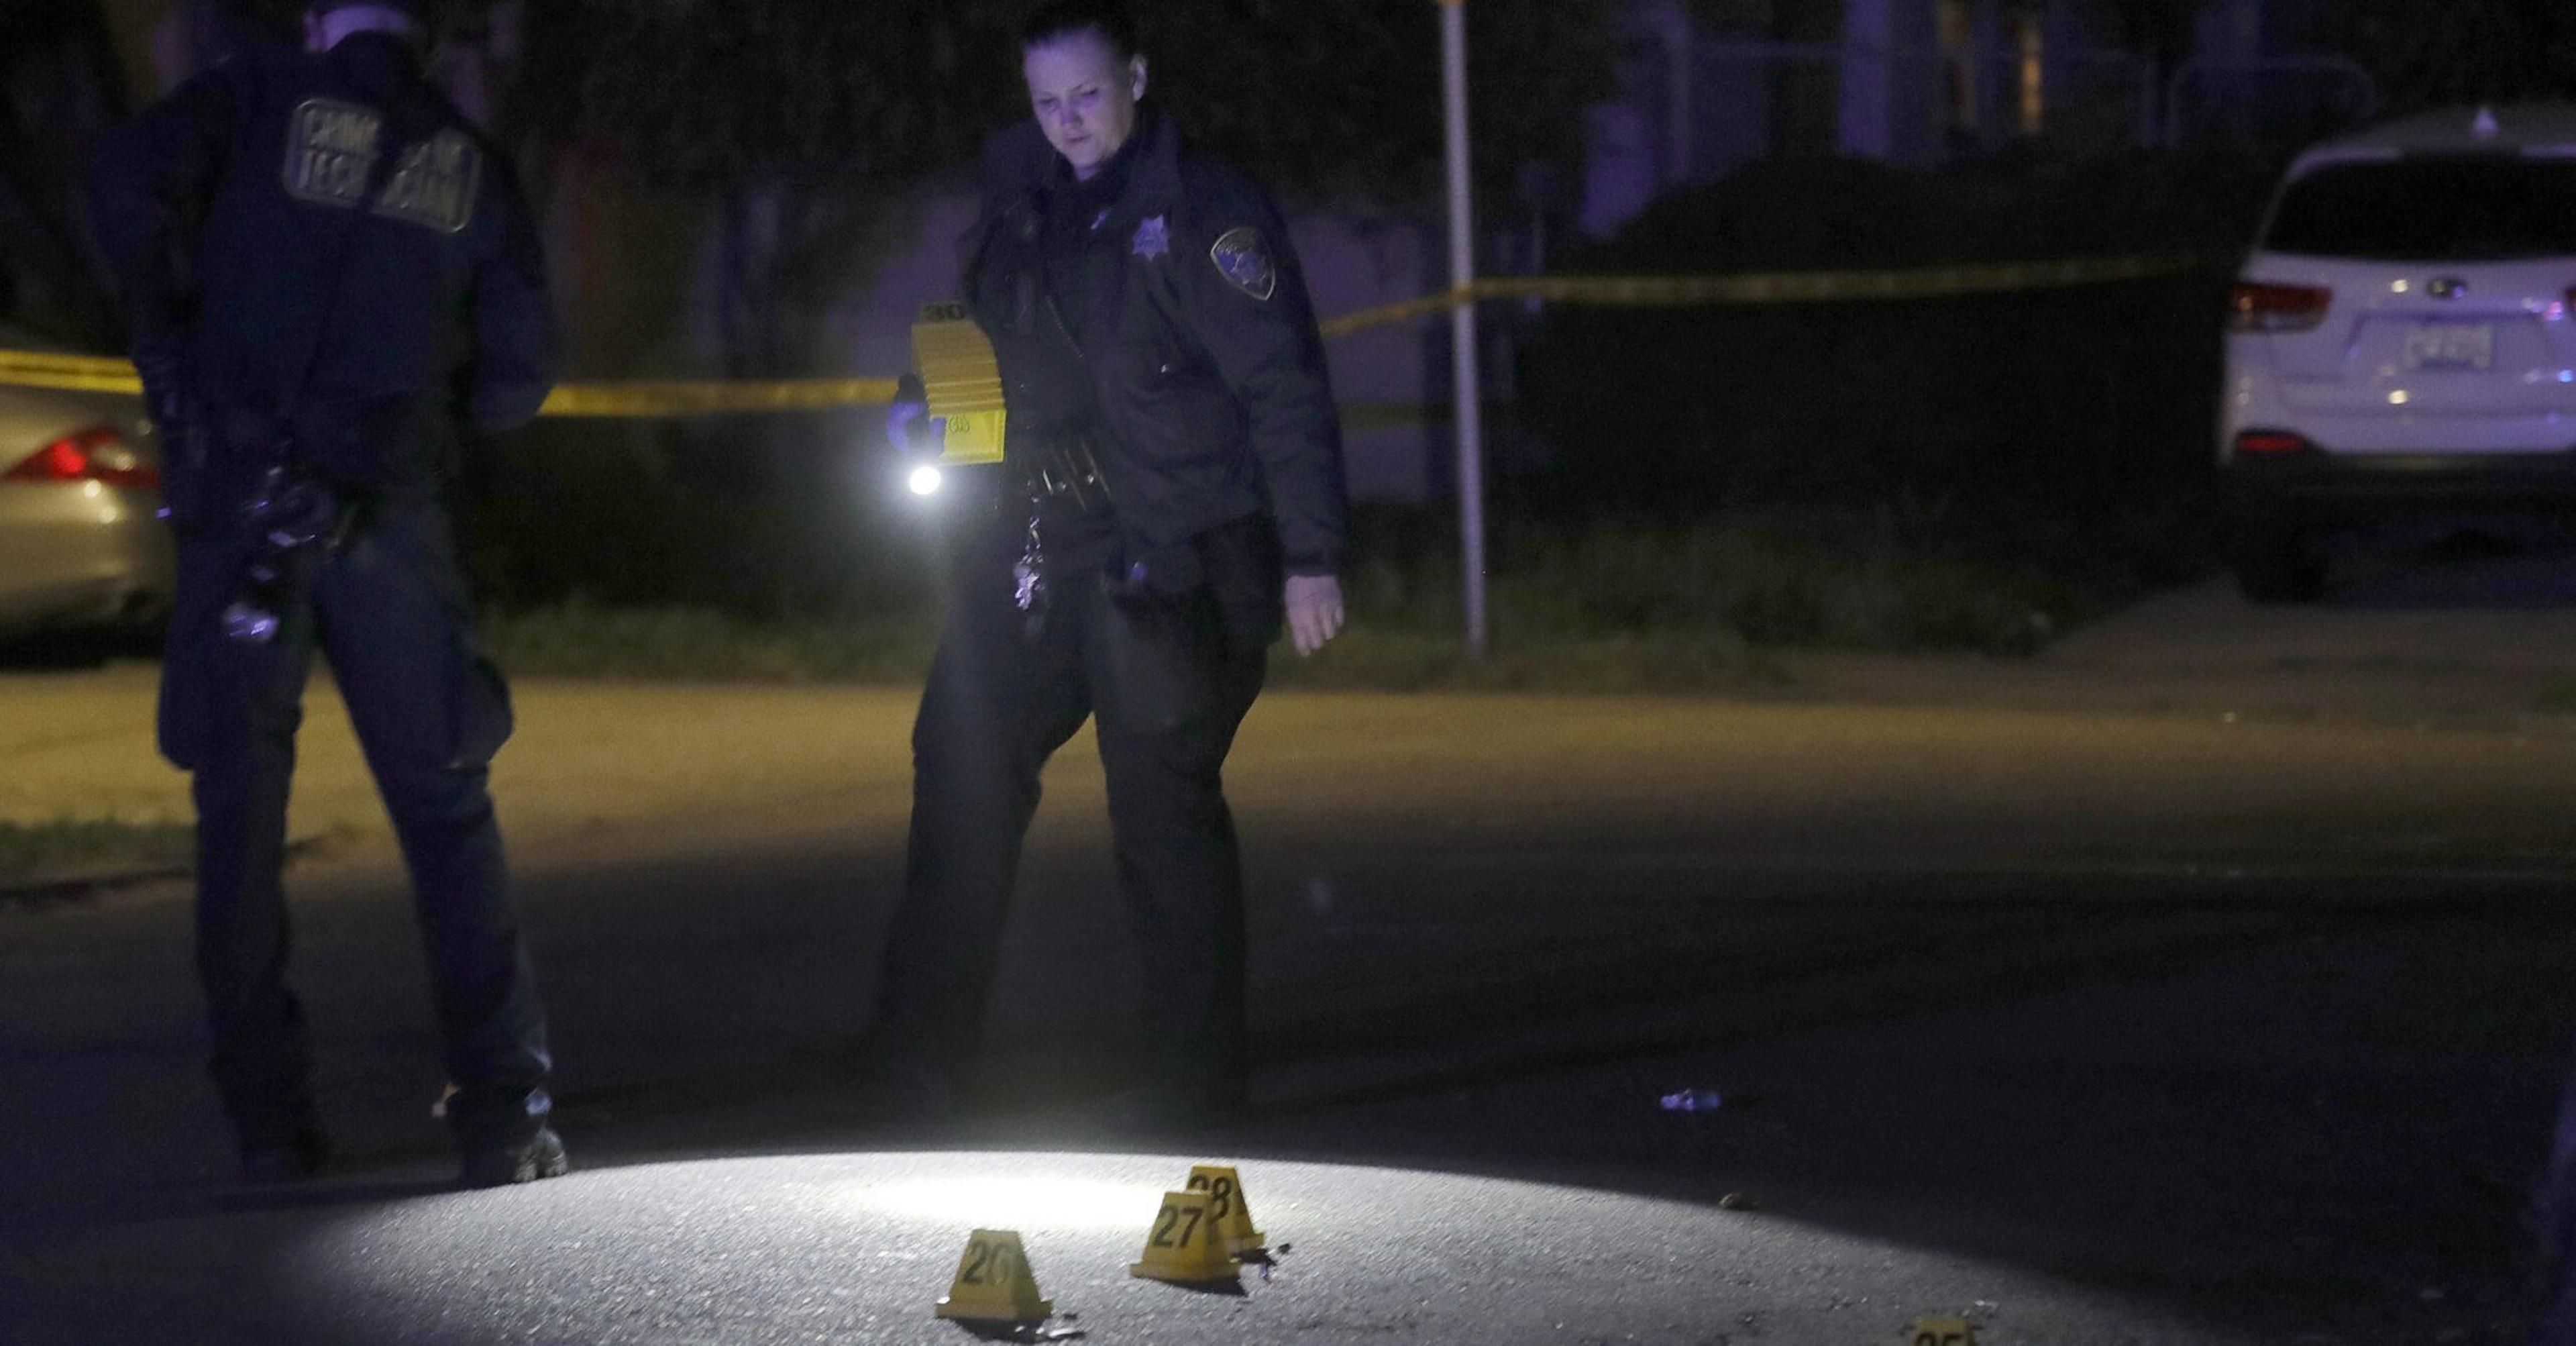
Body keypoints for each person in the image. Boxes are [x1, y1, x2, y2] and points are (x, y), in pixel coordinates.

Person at [89, 0, 566, 1187]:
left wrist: (179, 348)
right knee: (448, 812)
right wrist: (415, 419)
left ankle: (269, 1123)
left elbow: (120, 184)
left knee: (239, 819)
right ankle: (505, 1116)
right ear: (429, 31)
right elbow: (519, 376)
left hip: (240, 504)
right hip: (390, 521)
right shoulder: (465, 156)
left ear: (317, 16)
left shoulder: (251, 100)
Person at [861, 0, 1350, 1131]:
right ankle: (912, 1071)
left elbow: (1283, 385)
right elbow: (965, 346)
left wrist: (1313, 556)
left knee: (1160, 811)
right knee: (961, 768)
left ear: (1135, 75)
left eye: (1087, 94)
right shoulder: (1017, 208)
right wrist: (915, 411)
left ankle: (1194, 1092)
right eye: (1047, 101)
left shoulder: (1201, 213)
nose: (1069, 121)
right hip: (1033, 544)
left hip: (1167, 551)